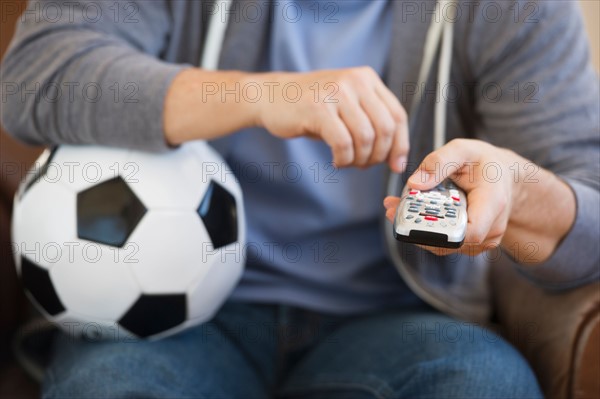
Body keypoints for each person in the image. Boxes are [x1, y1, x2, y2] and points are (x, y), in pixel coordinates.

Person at [2, 0, 598, 398]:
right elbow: (34, 75)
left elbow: (589, 211)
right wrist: (258, 95)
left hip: (399, 319)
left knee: (485, 383)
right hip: (181, 323)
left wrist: (520, 190)